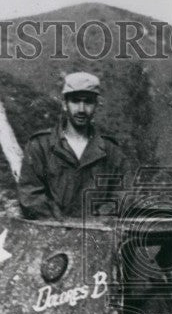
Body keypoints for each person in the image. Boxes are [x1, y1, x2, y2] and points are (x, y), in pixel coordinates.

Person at [17, 72, 130, 220]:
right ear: (64, 104)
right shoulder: (41, 146)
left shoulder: (111, 151)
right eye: (75, 101)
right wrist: (61, 223)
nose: (81, 109)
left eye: (88, 102)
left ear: (96, 105)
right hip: (51, 232)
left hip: (97, 234)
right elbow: (30, 195)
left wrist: (97, 220)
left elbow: (124, 194)